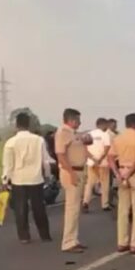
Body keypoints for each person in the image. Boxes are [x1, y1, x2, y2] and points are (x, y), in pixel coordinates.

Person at [2, 112, 52, 244]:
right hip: (36, 178)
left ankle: (24, 236)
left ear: (16, 125)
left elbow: (8, 164)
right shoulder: (39, 140)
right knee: (39, 207)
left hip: (18, 179)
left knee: (20, 208)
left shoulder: (10, 142)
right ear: (29, 124)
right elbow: (45, 161)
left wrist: (5, 180)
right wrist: (47, 175)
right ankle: (45, 235)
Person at [109, 113, 135, 255]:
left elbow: (110, 157)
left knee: (123, 210)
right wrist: (130, 172)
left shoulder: (118, 138)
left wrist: (117, 173)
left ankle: (122, 242)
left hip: (121, 173)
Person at [54, 108, 90, 253]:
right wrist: (71, 173)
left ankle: (73, 239)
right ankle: (68, 242)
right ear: (72, 120)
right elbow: (61, 155)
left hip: (78, 170)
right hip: (71, 171)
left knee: (75, 208)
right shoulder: (63, 132)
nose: (80, 122)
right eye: (78, 120)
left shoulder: (73, 134)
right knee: (72, 208)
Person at [82, 117, 112, 212]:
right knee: (104, 184)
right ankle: (105, 204)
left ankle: (85, 202)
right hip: (102, 163)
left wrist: (93, 158)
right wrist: (100, 159)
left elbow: (85, 149)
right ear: (103, 125)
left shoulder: (89, 134)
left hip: (91, 163)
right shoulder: (105, 135)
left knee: (90, 183)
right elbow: (107, 148)